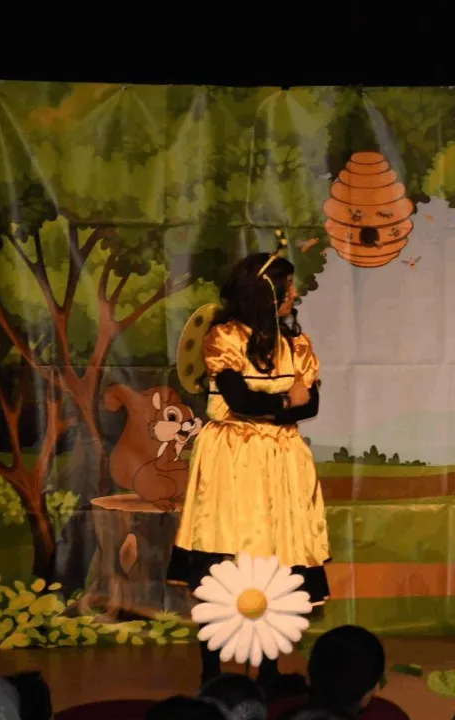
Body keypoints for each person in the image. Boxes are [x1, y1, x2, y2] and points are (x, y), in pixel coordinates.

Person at [166, 236, 326, 697]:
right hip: (233, 459)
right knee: (222, 557)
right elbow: (239, 402)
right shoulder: (225, 337)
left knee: (273, 560)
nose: (294, 294)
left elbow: (312, 404)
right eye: (288, 287)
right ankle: (212, 672)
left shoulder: (296, 343)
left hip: (280, 460)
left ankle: (268, 672)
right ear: (267, 293)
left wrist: (279, 404)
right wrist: (285, 400)